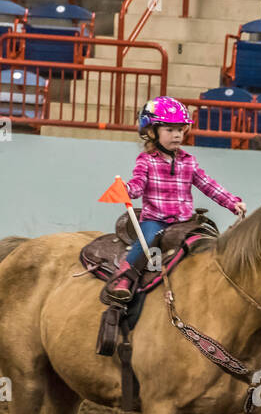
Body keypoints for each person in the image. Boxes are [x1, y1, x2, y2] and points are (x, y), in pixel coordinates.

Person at [104, 96, 247, 303]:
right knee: (146, 242)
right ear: (152, 132)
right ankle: (124, 278)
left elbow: (208, 184)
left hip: (184, 222)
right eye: (169, 130)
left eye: (180, 130)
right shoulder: (146, 161)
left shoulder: (188, 161)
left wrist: (232, 202)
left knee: (208, 240)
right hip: (156, 220)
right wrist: (126, 189)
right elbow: (137, 184)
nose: (177, 135)